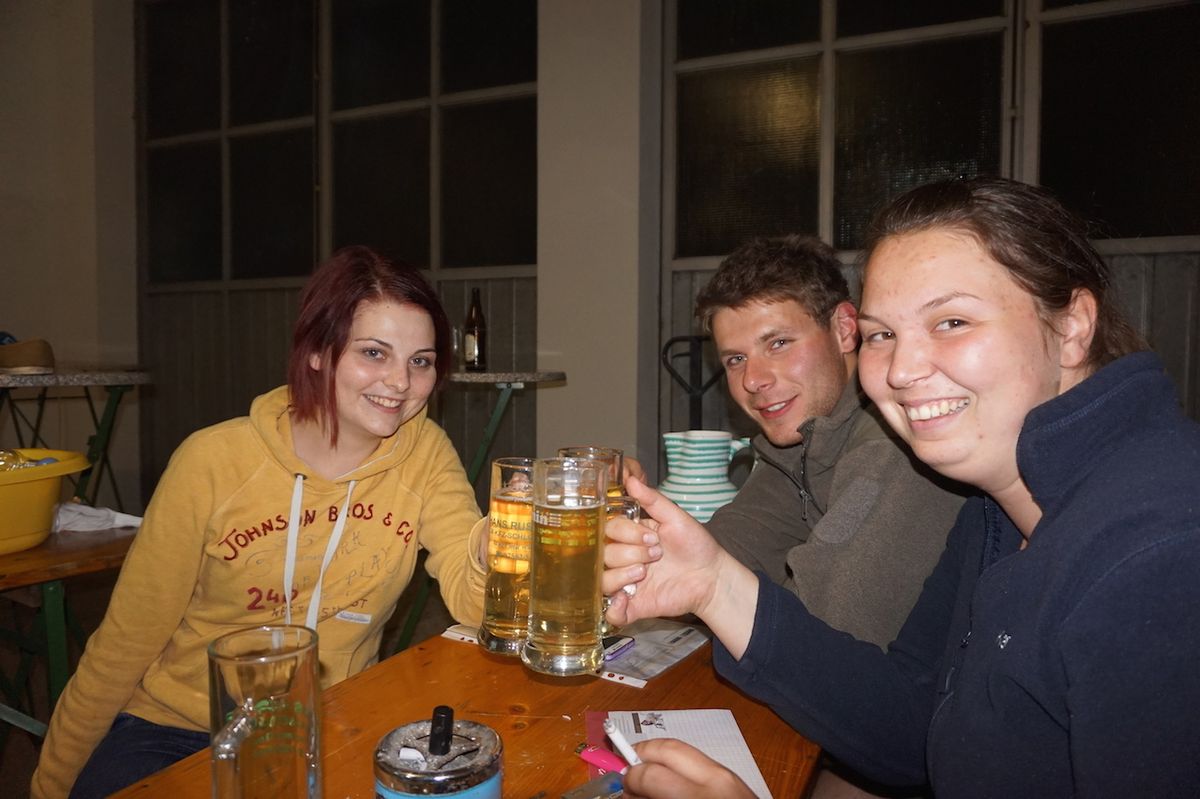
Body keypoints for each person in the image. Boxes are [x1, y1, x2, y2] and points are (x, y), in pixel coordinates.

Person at [604, 177, 1200, 798]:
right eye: (884, 335)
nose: (902, 370)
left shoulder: (1164, 549)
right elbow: (920, 731)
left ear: (1072, 326)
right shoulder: (995, 507)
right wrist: (711, 583)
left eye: (951, 321)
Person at [33, 246, 490, 799]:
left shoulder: (426, 454)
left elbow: (473, 603)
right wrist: (53, 785)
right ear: (317, 351)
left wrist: (494, 549)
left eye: (421, 361)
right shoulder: (212, 461)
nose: (399, 382)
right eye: (374, 353)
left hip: (334, 719)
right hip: (183, 727)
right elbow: (125, 641)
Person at [697, 235, 966, 650]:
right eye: (736, 359)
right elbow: (725, 550)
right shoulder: (804, 439)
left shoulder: (895, 444)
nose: (753, 380)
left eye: (778, 344)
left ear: (843, 329)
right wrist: (629, 529)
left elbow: (825, 627)